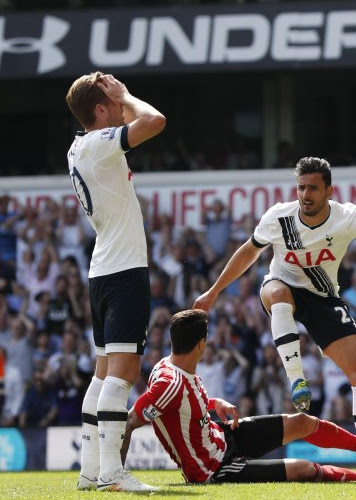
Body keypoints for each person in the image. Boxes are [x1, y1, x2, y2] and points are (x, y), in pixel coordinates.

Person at [194, 157, 356, 470]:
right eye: (301, 187)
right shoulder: (279, 216)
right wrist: (214, 291)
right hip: (281, 286)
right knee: (277, 293)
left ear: (329, 191)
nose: (305, 194)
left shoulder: (347, 217)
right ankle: (297, 380)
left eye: (313, 188)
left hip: (323, 297)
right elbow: (249, 252)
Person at [122, 309, 356, 485]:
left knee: (302, 422)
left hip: (223, 436)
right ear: (202, 344)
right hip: (214, 469)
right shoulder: (168, 383)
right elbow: (130, 422)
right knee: (304, 469)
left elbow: (179, 406)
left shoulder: (169, 366)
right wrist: (116, 472)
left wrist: (215, 404)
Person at [65, 71, 166, 492]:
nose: (120, 106)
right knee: (122, 374)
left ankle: (90, 471)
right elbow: (155, 120)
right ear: (100, 109)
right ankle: (112, 473)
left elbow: (131, 122)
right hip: (123, 271)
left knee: (103, 374)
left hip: (103, 269)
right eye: (111, 101)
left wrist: (115, 100)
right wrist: (127, 95)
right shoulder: (98, 144)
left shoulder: (78, 148)